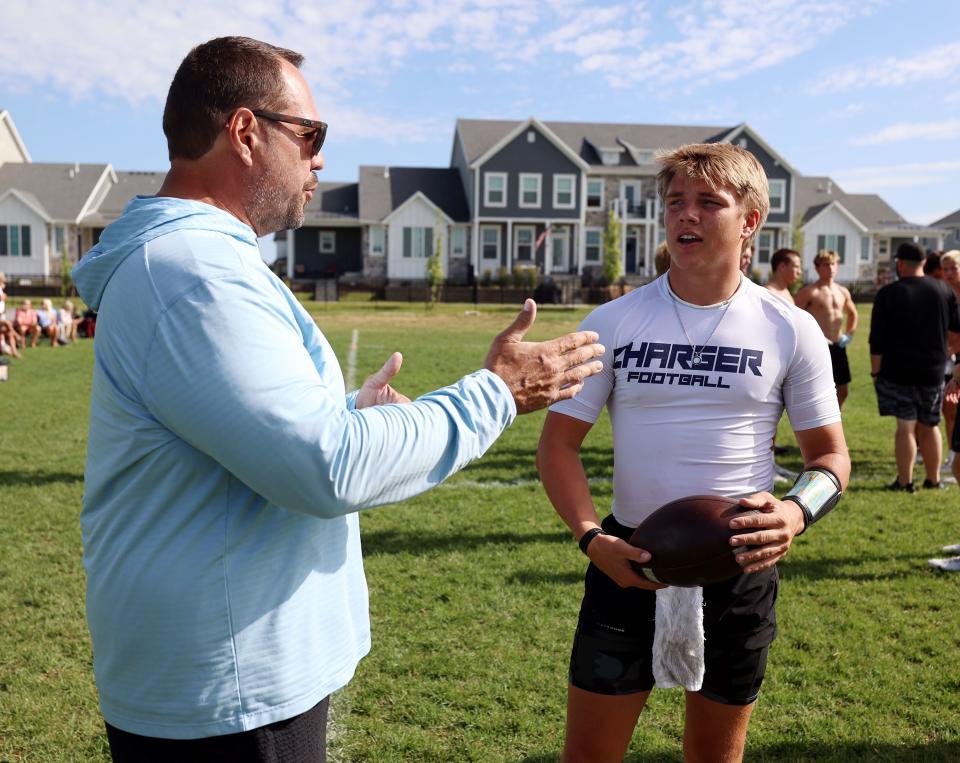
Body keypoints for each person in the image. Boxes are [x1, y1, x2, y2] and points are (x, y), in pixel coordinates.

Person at [71, 36, 605, 761]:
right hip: (228, 697)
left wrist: (347, 414)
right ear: (246, 133)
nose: (320, 158)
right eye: (311, 135)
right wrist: (496, 393)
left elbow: (252, 439)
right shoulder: (192, 271)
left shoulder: (203, 262)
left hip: (226, 678)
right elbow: (322, 466)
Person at [537, 142, 850, 763]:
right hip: (626, 557)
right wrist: (591, 537)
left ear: (751, 221)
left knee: (714, 756)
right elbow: (557, 447)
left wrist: (794, 514)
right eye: (676, 201)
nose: (687, 215)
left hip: (741, 561)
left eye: (710, 202)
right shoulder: (616, 320)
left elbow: (832, 458)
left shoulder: (789, 326)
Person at [870, 241, 960, 492]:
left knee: (905, 426)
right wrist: (950, 352)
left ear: (900, 264)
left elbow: (876, 340)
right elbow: (956, 330)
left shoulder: (889, 293)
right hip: (933, 370)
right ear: (923, 264)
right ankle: (933, 479)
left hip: (898, 371)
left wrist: (875, 372)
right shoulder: (944, 290)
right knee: (931, 424)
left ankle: (905, 481)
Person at [795, 250, 858, 408]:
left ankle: (835, 421)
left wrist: (849, 334)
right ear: (817, 268)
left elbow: (853, 314)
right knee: (818, 391)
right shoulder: (809, 292)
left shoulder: (842, 291)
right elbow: (794, 318)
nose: (830, 268)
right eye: (825, 265)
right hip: (818, 347)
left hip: (838, 346)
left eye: (833, 264)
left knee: (843, 390)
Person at [940, 250, 960, 474]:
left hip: (957, 359)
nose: (948, 273)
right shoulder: (943, 295)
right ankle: (953, 454)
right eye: (945, 269)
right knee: (949, 410)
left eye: (953, 268)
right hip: (945, 361)